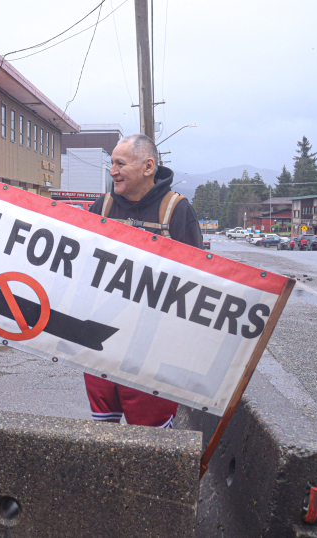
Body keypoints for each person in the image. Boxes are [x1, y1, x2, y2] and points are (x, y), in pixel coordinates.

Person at [84, 133, 202, 428]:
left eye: (120, 163)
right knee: (101, 429)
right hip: (101, 340)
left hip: (153, 348)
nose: (112, 171)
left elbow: (196, 282)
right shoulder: (103, 206)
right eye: (111, 163)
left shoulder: (177, 209)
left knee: (152, 439)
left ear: (148, 167)